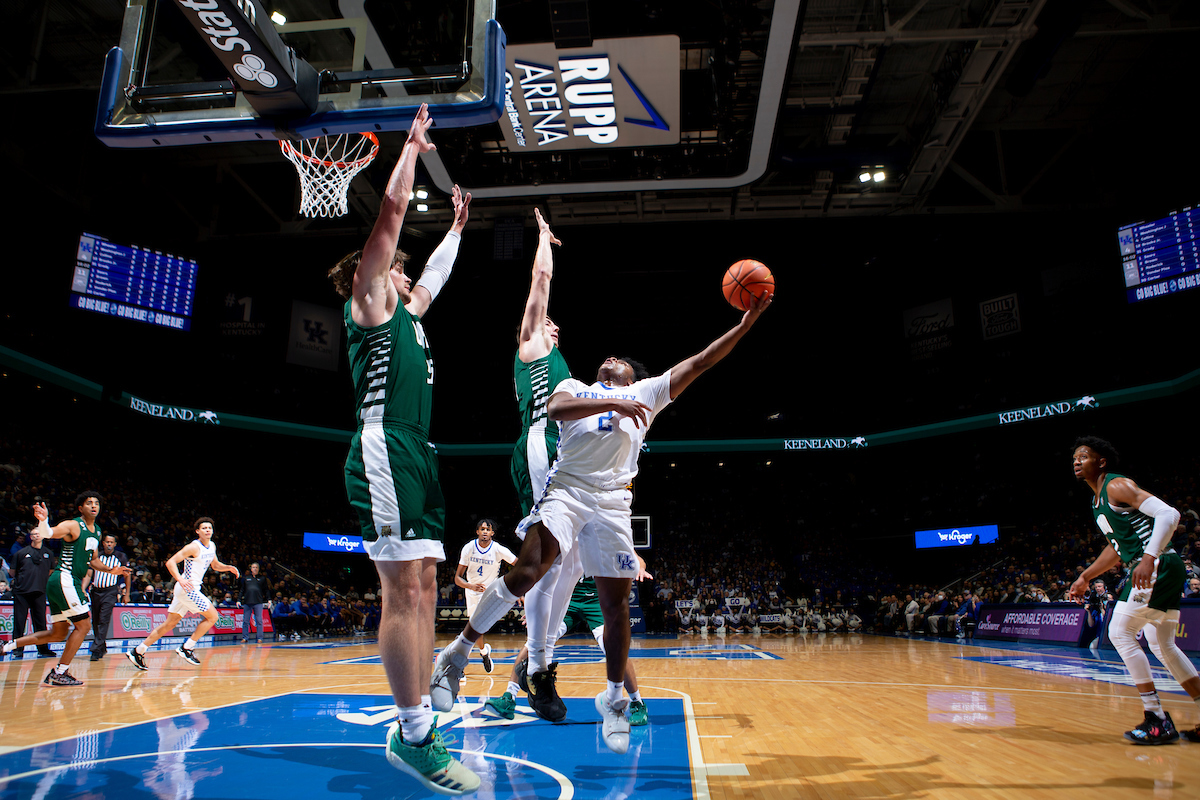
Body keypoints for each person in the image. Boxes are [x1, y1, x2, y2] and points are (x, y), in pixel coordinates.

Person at [432, 288, 773, 754]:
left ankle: (614, 698)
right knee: (528, 571)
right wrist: (610, 405)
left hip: (613, 504)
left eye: (622, 361)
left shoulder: (647, 394)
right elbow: (554, 410)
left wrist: (745, 325)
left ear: (634, 376)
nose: (613, 358)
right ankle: (458, 653)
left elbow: (701, 361)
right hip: (567, 488)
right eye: (608, 359)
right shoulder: (574, 386)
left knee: (615, 606)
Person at [327, 102, 477, 796]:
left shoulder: (410, 315)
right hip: (385, 445)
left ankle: (417, 729)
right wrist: (412, 148)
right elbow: (386, 223)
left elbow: (437, 278)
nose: (409, 277)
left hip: (418, 451)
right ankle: (414, 733)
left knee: (422, 587)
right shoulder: (369, 304)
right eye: (400, 270)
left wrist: (454, 230)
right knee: (402, 586)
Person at [1068, 436, 1200, 744]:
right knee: (1161, 643)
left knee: (1119, 633)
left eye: (1083, 456)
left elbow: (1169, 514)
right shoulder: (1097, 501)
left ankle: (1156, 718)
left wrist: (1149, 557)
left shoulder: (1116, 485)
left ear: (1100, 461)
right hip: (1158, 565)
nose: (1076, 461)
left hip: (1158, 564)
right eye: (1074, 458)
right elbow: (1116, 550)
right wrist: (1085, 576)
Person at [486, 562, 654, 727]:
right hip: (568, 600)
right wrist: (534, 608)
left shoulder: (602, 535)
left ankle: (637, 702)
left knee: (616, 649)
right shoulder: (567, 536)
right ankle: (509, 697)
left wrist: (640, 567)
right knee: (535, 640)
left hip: (597, 600)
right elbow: (544, 568)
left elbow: (634, 556)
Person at [2, 493, 131, 685]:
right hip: (65, 579)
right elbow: (48, 533)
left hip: (61, 583)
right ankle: (59, 673)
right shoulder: (73, 525)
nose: (94, 506)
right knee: (84, 625)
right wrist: (44, 521)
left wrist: (111, 570)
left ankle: (6, 646)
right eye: (89, 503)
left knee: (58, 633)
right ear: (81, 508)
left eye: (96, 503)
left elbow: (94, 560)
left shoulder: (96, 531)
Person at [126, 517, 240, 670]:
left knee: (170, 624)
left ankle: (137, 651)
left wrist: (228, 567)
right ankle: (187, 648)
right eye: (204, 528)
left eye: (209, 528)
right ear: (197, 531)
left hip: (188, 590)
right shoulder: (193, 547)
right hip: (188, 589)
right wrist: (179, 579)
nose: (207, 530)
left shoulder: (211, 546)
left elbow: (215, 565)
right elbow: (170, 562)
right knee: (213, 616)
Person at [454, 519, 516, 673]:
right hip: (472, 592)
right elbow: (457, 578)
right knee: (475, 629)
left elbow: (519, 564)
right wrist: (470, 585)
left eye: (487, 530)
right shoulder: (469, 548)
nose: (485, 532)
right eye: (482, 529)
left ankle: (460, 663)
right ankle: (483, 652)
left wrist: (511, 582)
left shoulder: (498, 549)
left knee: (474, 628)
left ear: (492, 533)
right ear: (477, 532)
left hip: (490, 593)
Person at [6, 521, 57, 658]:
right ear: (31, 537)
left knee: (40, 623)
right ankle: (18, 649)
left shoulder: (49, 554)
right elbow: (12, 572)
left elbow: (50, 570)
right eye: (34, 534)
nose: (36, 535)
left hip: (39, 592)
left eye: (39, 533)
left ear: (43, 536)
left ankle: (43, 649)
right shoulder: (21, 553)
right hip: (22, 592)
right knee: (19, 622)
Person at [82, 533, 130, 660]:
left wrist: (127, 594)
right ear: (103, 543)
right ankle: (101, 647)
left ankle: (95, 649)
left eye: (111, 542)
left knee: (104, 619)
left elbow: (127, 575)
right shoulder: (97, 557)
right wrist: (83, 588)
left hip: (110, 592)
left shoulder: (120, 556)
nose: (109, 544)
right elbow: (88, 574)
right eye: (107, 542)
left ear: (115, 544)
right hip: (96, 591)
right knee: (96, 621)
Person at [239, 562, 269, 643]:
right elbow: (242, 590)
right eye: (253, 567)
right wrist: (238, 600)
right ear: (251, 569)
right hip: (247, 602)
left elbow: (266, 590)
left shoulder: (262, 578)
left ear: (258, 569)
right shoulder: (246, 578)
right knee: (245, 621)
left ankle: (260, 638)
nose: (255, 569)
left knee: (259, 621)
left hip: (258, 602)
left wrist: (269, 599)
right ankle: (245, 637)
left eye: (256, 567)